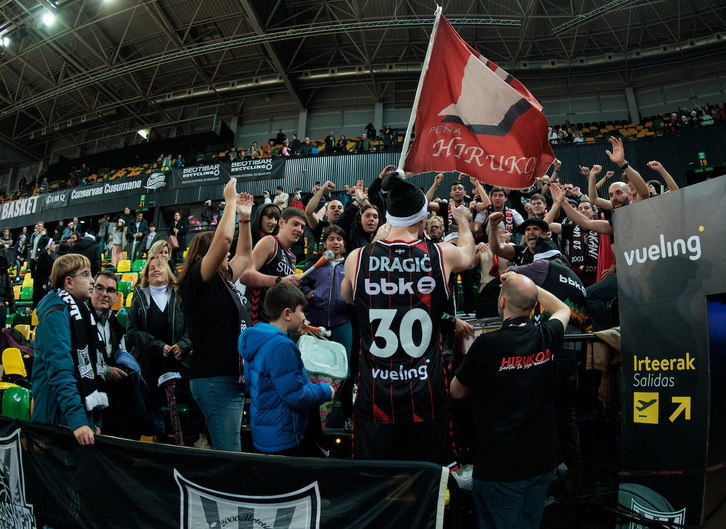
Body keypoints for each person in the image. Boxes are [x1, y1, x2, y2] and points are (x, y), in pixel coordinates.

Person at [341, 170, 475, 465]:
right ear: (423, 219)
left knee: (372, 478)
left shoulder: (357, 258)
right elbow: (470, 254)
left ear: (388, 218)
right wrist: (463, 219)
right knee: (431, 477)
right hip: (424, 390)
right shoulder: (441, 255)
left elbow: (347, 296)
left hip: (376, 392)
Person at [450, 272, 570, 529]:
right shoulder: (547, 335)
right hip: (541, 463)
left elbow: (457, 391)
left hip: (500, 468)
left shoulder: (487, 344)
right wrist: (530, 287)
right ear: (534, 303)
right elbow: (561, 308)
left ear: (502, 302)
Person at [178, 179, 254, 452]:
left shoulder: (223, 279)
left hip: (230, 377)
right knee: (227, 452)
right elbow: (223, 240)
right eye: (222, 253)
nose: (229, 254)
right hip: (214, 378)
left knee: (229, 447)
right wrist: (230, 200)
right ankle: (225, 494)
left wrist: (245, 220)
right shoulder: (197, 279)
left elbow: (245, 255)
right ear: (205, 254)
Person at [238, 283, 334, 455]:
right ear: (287, 313)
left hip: (265, 435)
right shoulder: (281, 345)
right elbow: (296, 396)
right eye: (301, 311)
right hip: (284, 438)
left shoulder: (258, 340)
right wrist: (325, 390)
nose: (304, 317)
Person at [31, 254, 108, 446]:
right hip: (57, 420)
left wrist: (94, 419)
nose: (92, 281)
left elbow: (93, 369)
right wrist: (78, 421)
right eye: (85, 275)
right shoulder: (56, 314)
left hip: (76, 419)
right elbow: (60, 371)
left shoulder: (84, 313)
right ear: (69, 282)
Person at [127, 257, 196, 446]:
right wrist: (157, 345)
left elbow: (192, 328)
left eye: (160, 267)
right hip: (149, 364)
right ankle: (151, 442)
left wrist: (182, 345)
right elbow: (132, 333)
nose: (156, 270)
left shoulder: (180, 295)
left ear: (168, 272)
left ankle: (195, 440)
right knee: (147, 406)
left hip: (179, 362)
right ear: (146, 276)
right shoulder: (139, 296)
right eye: (151, 268)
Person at [299, 225, 353, 427]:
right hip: (315, 325)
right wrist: (309, 293)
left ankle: (347, 415)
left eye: (339, 239)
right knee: (313, 370)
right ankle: (312, 416)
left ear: (344, 243)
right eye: (331, 239)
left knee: (344, 371)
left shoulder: (350, 265)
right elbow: (301, 284)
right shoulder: (314, 264)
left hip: (342, 323)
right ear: (324, 244)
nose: (336, 242)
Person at [242, 207, 306, 325]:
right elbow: (245, 276)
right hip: (260, 319)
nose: (299, 230)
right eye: (295, 224)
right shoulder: (270, 242)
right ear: (281, 222)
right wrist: (280, 280)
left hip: (278, 322)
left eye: (302, 227)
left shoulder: (292, 257)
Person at [32, 239, 56, 309]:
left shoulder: (48, 256)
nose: (55, 246)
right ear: (49, 246)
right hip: (41, 286)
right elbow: (44, 271)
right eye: (53, 244)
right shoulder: (43, 256)